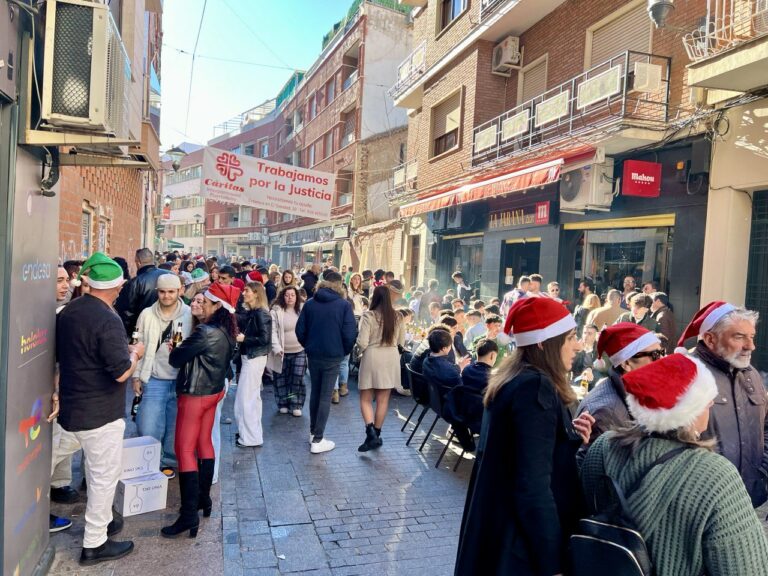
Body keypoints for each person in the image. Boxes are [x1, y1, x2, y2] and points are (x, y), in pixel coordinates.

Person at [581, 353, 768, 575]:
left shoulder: (603, 448)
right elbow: (746, 568)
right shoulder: (717, 476)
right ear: (692, 411)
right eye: (708, 403)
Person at [455, 298, 594, 575]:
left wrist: (569, 435)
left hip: (499, 534)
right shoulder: (535, 386)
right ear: (544, 343)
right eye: (570, 337)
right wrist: (553, 562)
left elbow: (519, 452)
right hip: (519, 549)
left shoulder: (516, 376)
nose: (577, 345)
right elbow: (533, 486)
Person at [55, 253, 145, 565]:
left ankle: (106, 520)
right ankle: (95, 542)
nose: (122, 289)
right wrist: (137, 354)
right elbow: (120, 371)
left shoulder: (71, 310)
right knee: (104, 476)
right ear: (114, 287)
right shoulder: (108, 319)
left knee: (82, 468)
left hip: (71, 407)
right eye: (120, 285)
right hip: (100, 414)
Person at [163, 283, 239, 538]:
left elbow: (176, 359)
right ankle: (203, 500)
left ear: (218, 305)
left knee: (184, 450)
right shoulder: (227, 330)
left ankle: (188, 515)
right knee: (205, 443)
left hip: (195, 394)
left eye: (206, 301)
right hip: (213, 392)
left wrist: (174, 348)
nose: (201, 304)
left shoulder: (206, 331)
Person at [680, 301, 768, 507]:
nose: (751, 346)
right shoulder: (687, 376)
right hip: (704, 503)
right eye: (739, 337)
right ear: (710, 339)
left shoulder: (751, 375)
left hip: (750, 499)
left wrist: (762, 469)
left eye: (752, 337)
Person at [132, 274, 193, 479]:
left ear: (179, 291)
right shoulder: (146, 314)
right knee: (148, 424)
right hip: (154, 377)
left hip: (180, 380)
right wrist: (137, 377)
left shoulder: (189, 313)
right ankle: (152, 461)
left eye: (171, 291)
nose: (166, 296)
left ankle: (168, 460)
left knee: (176, 426)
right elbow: (137, 346)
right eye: (162, 291)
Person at [295, 271, 357, 454]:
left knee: (316, 392)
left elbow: (300, 330)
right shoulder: (344, 305)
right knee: (324, 395)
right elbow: (350, 334)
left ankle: (314, 432)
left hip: (314, 353)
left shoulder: (310, 304)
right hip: (332, 354)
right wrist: (342, 350)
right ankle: (318, 438)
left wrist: (309, 345)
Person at [577, 323, 662, 447]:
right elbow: (598, 465)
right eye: (655, 355)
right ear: (626, 363)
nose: (662, 360)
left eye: (662, 352)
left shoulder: (628, 395)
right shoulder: (607, 413)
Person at [355, 286, 405, 451]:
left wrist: (357, 353)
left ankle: (371, 434)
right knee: (383, 400)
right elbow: (401, 342)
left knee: (365, 398)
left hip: (372, 356)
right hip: (390, 357)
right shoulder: (398, 316)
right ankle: (376, 434)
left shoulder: (369, 316)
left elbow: (362, 342)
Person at [422, 330, 475, 451]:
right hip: (451, 407)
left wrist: (458, 367)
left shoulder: (427, 360)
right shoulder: (447, 369)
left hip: (437, 402)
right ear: (445, 348)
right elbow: (459, 386)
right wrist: (460, 368)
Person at [234, 282, 272, 448]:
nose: (244, 293)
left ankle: (250, 437)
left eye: (247, 291)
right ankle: (251, 434)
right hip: (252, 358)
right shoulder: (254, 312)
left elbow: (265, 339)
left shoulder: (260, 313)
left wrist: (244, 339)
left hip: (253, 358)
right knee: (251, 398)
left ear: (256, 293)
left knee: (246, 399)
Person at [114, 247, 172, 336]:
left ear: (138, 262)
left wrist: (129, 334)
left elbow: (126, 312)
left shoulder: (135, 283)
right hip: (167, 327)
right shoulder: (169, 275)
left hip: (142, 330)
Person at [268, 286, 307, 416]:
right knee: (281, 379)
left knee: (297, 377)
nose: (290, 298)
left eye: (292, 295)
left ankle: (295, 403)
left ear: (297, 296)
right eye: (287, 295)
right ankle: (283, 403)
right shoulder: (276, 311)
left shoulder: (302, 310)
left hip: (300, 350)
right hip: (282, 352)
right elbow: (272, 331)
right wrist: (276, 348)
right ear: (282, 296)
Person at [571, 323, 598, 387]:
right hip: (577, 380)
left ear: (595, 336)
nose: (586, 336)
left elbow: (602, 368)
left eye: (589, 334)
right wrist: (578, 352)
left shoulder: (599, 348)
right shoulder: (577, 346)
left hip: (593, 381)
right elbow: (570, 367)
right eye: (584, 333)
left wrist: (590, 369)